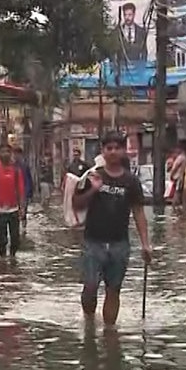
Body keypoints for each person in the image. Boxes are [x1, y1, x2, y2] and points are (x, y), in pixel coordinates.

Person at [72, 131, 152, 326]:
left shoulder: (131, 181)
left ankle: (109, 332)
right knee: (90, 287)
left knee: (113, 290)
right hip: (93, 242)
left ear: (123, 151)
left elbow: (138, 212)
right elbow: (77, 204)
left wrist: (145, 244)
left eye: (117, 148)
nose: (113, 152)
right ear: (103, 151)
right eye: (109, 148)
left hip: (119, 243)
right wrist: (93, 189)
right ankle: (89, 322)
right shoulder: (93, 176)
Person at [0, 143, 26, 258]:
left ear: (11, 153)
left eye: (8, 152)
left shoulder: (16, 171)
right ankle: (2, 260)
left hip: (14, 209)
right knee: (2, 239)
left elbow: (21, 190)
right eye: (3, 152)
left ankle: (13, 258)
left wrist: (22, 208)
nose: (6, 154)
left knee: (15, 239)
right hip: (0, 211)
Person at [13, 146, 33, 234]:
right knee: (16, 211)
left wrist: (29, 191)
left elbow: (28, 179)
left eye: (16, 154)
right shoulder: (13, 165)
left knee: (23, 210)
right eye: (14, 154)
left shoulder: (24, 165)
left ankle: (24, 228)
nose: (15, 156)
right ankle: (18, 228)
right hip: (15, 192)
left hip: (24, 191)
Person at [169, 139, 186, 209]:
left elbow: (175, 168)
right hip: (181, 177)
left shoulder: (181, 158)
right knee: (182, 193)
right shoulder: (184, 157)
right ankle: (183, 207)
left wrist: (171, 175)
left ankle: (174, 207)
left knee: (177, 192)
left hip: (178, 177)